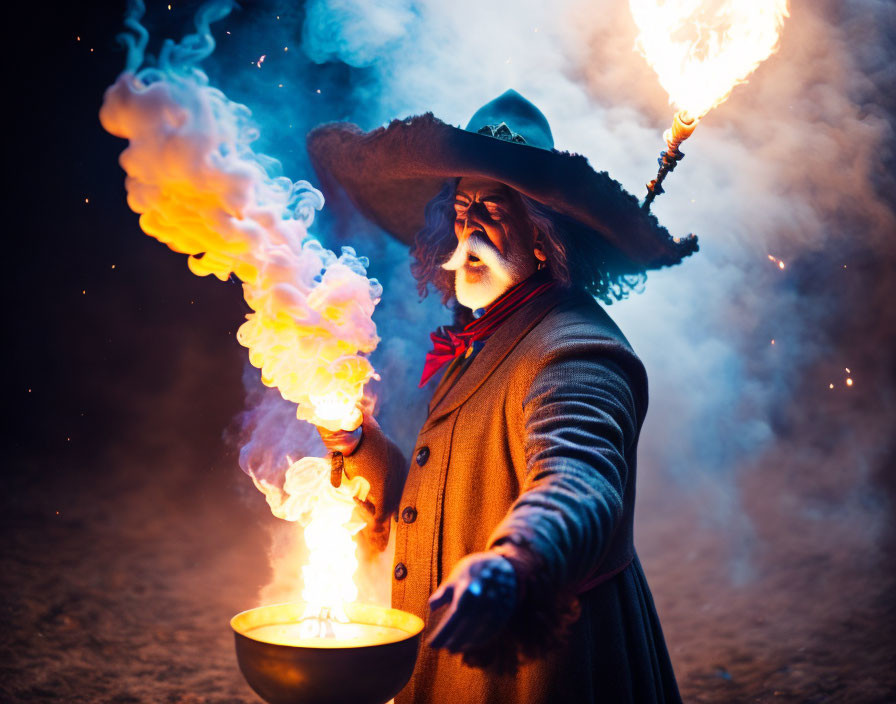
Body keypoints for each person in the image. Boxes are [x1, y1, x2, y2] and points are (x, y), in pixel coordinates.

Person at [307, 90, 697, 704]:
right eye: (462, 208)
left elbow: (580, 482)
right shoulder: (491, 332)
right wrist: (359, 445)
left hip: (546, 675)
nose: (469, 228)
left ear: (543, 235)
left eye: (494, 209)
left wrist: (515, 560)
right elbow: (451, 499)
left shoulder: (574, 350)